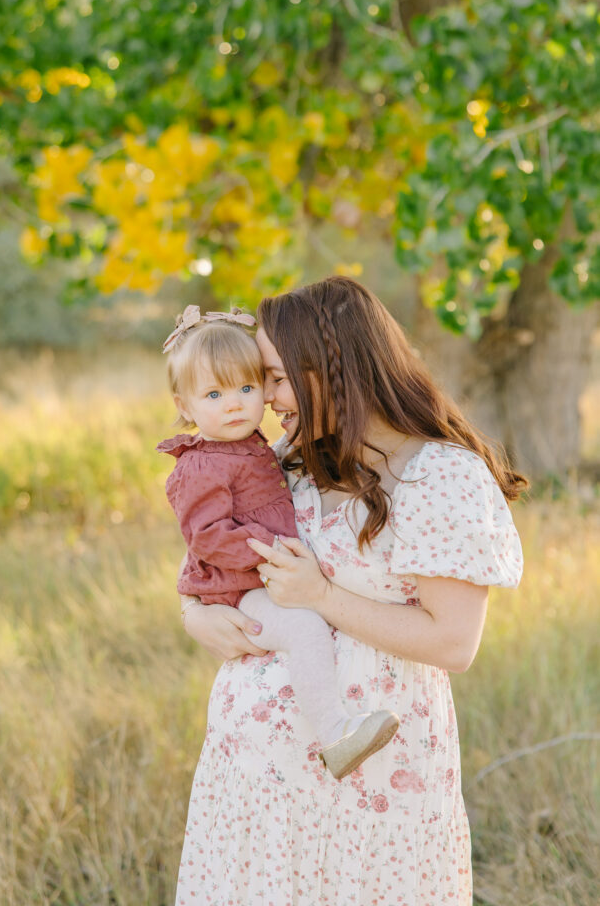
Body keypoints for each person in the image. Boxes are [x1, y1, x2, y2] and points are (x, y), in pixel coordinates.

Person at [175, 276, 526, 906]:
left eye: (277, 378)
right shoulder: (290, 458)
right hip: (256, 782)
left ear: (331, 366)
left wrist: (322, 597)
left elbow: (453, 642)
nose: (266, 398)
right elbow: (210, 550)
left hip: (375, 786)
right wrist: (191, 612)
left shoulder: (438, 475)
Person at [157, 304, 400, 780]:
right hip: (244, 589)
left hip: (256, 584)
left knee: (304, 626)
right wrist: (268, 553)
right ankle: (334, 734)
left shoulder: (267, 449)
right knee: (305, 629)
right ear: (184, 407)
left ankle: (334, 728)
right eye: (213, 394)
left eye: (247, 388)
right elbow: (205, 538)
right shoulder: (202, 465)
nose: (237, 403)